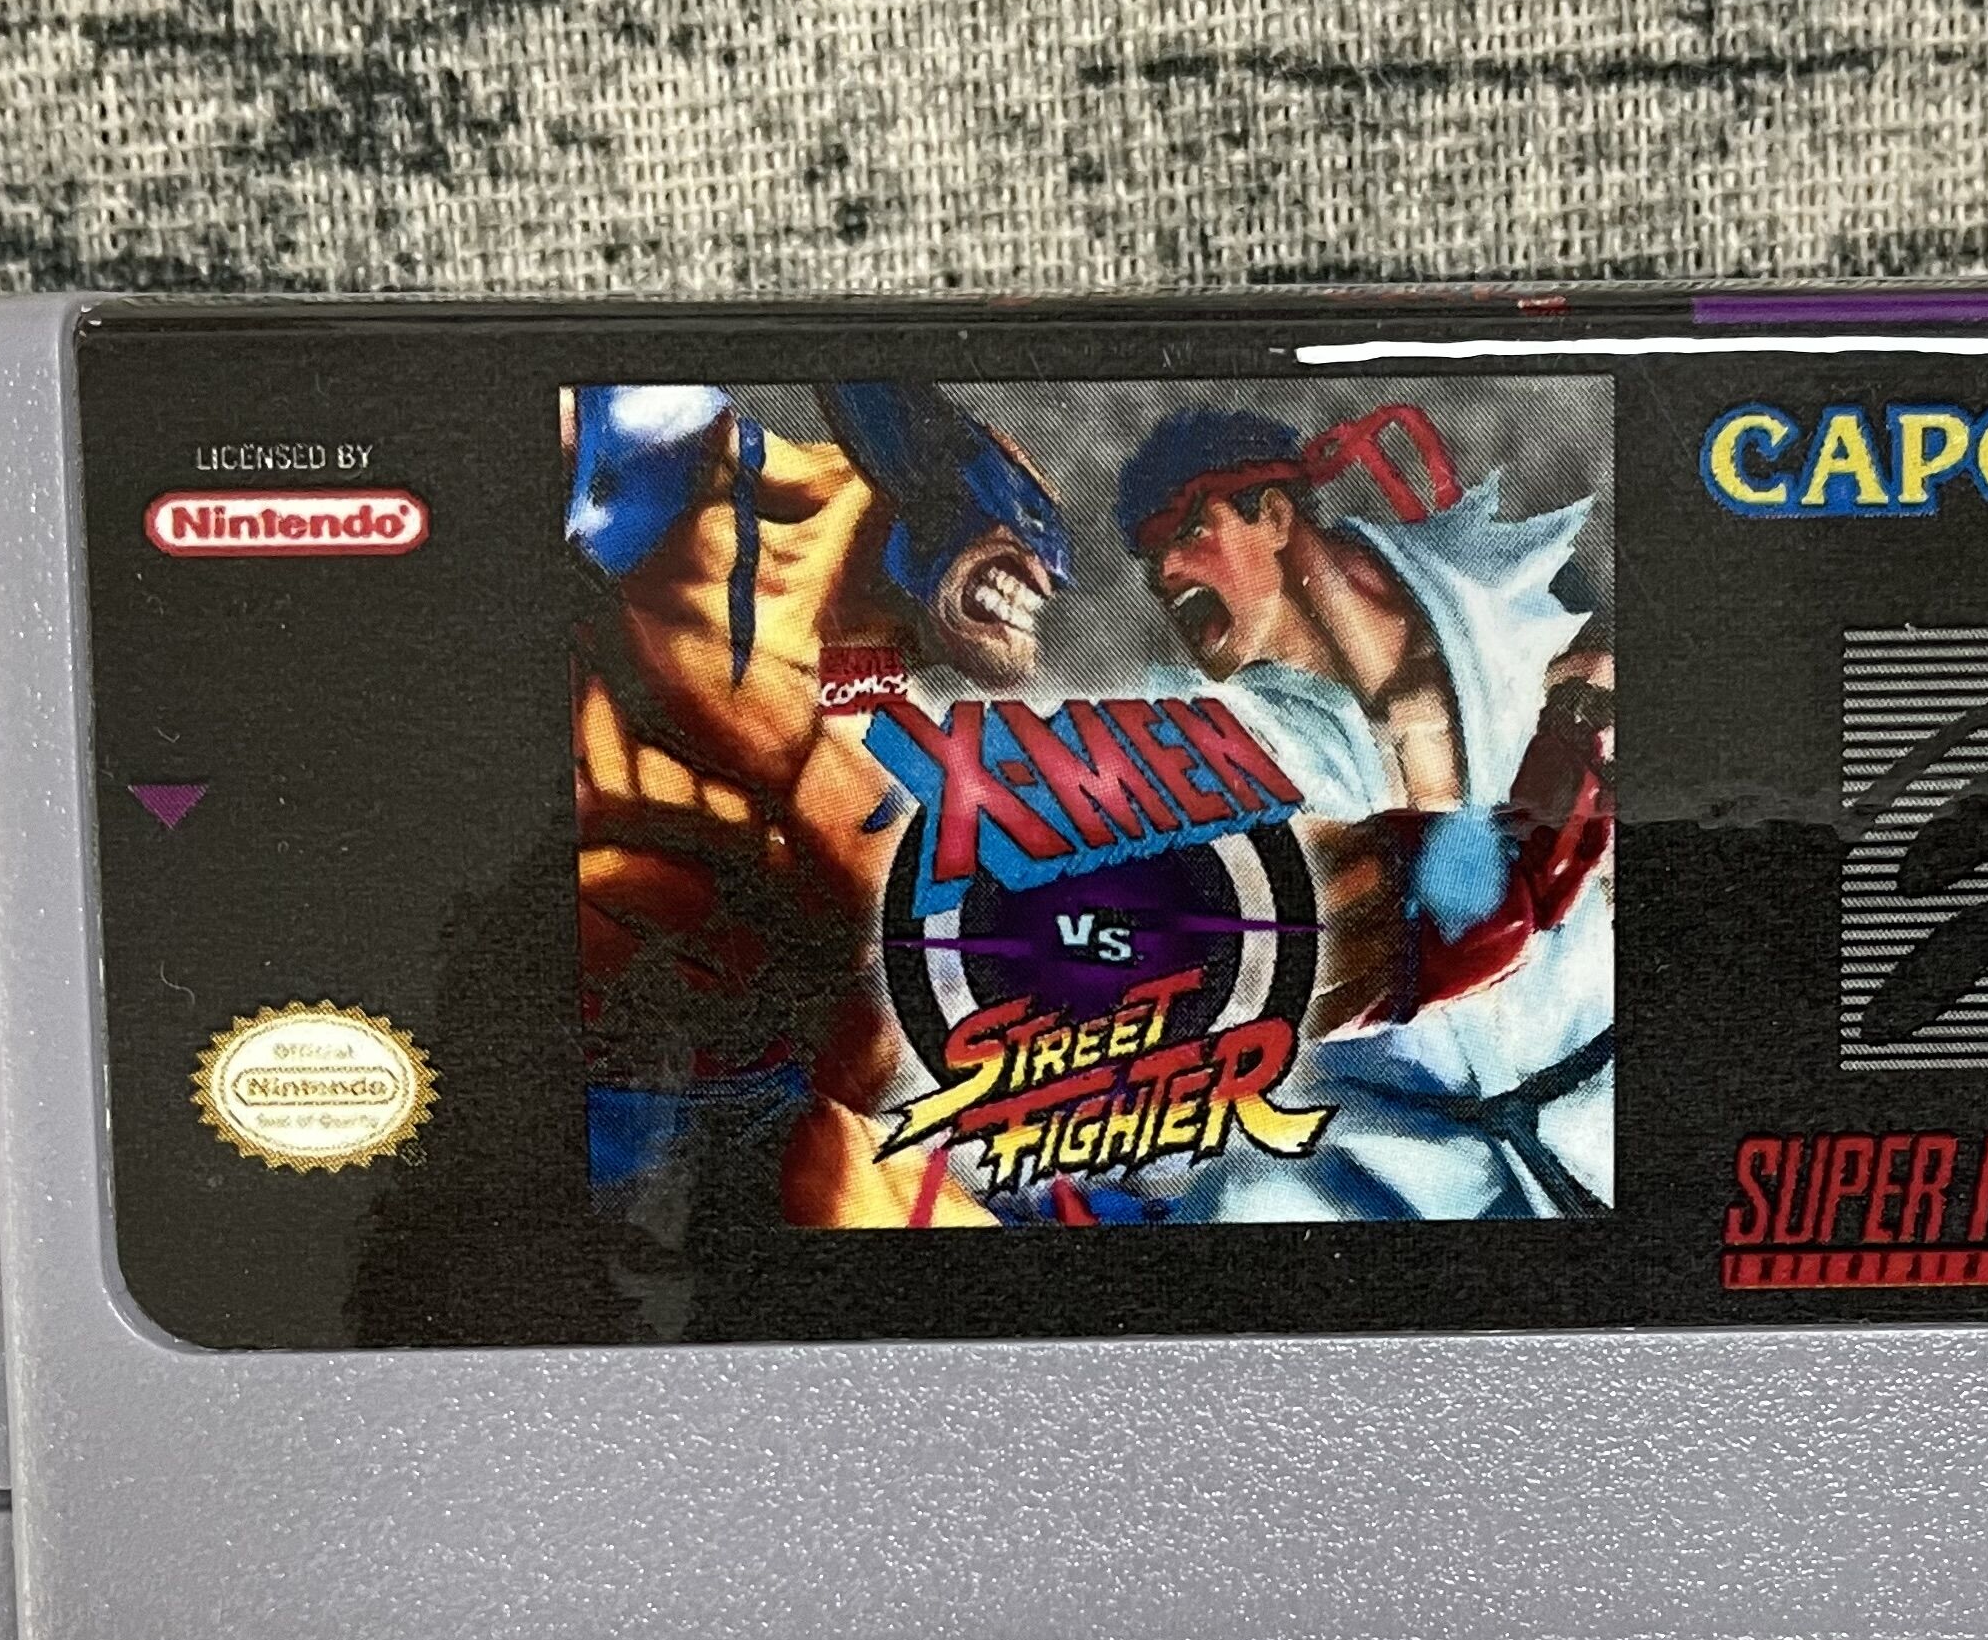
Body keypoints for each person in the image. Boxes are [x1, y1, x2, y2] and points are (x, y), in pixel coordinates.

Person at [564, 379, 1069, 1235]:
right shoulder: (690, 463)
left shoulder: (867, 707)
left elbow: (860, 1002)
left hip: (743, 1095)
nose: (1047, 578)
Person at [1114, 403, 1615, 1221]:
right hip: (1396, 1161)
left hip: (1602, 1109)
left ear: (1274, 516)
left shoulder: (1498, 594)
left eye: (1187, 532)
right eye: (1150, 556)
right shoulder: (1221, 746)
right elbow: (1471, 927)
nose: (1164, 573)